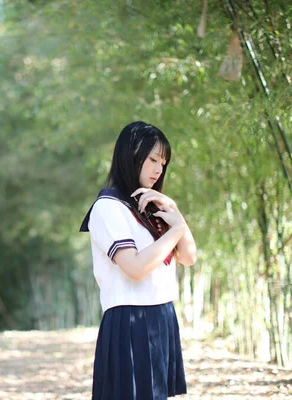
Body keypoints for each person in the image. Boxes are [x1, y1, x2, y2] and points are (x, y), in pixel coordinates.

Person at [79, 121, 197, 399]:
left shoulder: (151, 205)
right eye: (153, 159)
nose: (159, 169)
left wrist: (175, 212)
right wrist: (177, 229)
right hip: (130, 320)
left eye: (163, 163)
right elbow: (135, 267)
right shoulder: (108, 208)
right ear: (130, 156)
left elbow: (189, 257)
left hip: (162, 314)